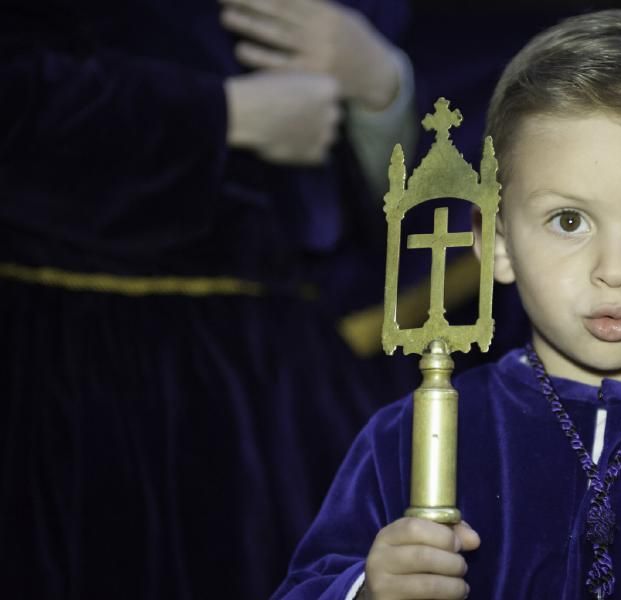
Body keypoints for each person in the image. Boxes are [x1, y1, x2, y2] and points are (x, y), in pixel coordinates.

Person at [271, 8, 621, 599]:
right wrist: (368, 589)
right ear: (496, 243)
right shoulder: (408, 435)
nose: (616, 270)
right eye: (569, 221)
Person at [0, 0, 417, 598]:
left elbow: (410, 200)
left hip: (283, 375)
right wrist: (223, 116)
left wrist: (381, 85)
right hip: (85, 369)